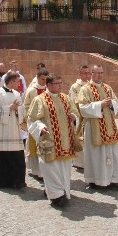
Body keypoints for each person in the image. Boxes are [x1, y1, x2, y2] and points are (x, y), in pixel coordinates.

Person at [27, 74, 80, 207]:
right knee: (50, 168)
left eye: (61, 83)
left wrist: (74, 117)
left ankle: (63, 191)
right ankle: (56, 195)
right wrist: (40, 127)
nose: (60, 86)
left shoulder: (65, 98)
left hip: (65, 141)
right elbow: (32, 119)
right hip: (49, 140)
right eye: (57, 83)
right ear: (49, 85)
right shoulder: (39, 100)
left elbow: (75, 111)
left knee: (64, 168)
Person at [77, 64, 118, 190]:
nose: (99, 75)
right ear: (91, 73)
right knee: (97, 155)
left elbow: (116, 102)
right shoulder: (85, 89)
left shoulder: (107, 88)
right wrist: (100, 105)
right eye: (97, 73)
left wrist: (111, 104)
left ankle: (114, 179)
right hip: (94, 128)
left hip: (109, 127)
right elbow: (82, 108)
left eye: (101, 73)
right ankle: (96, 180)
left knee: (115, 155)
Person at [0, 72, 26, 189]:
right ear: (10, 81)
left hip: (13, 129)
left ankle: (17, 181)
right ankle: (1, 181)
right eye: (17, 81)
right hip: (1, 130)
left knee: (17, 157)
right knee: (2, 156)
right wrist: (9, 108)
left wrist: (18, 110)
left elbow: (21, 110)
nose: (19, 83)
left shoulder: (17, 94)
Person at [23, 68, 49, 180]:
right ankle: (36, 171)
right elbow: (26, 106)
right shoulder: (31, 91)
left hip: (47, 122)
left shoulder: (49, 89)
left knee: (46, 146)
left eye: (46, 79)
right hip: (35, 122)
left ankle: (45, 170)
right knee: (34, 146)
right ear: (37, 78)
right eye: (42, 79)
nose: (44, 81)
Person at [69, 64, 91, 169]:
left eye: (89, 73)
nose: (87, 75)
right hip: (80, 116)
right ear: (79, 74)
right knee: (79, 139)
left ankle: (89, 160)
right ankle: (79, 162)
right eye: (85, 73)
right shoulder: (75, 86)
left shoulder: (91, 85)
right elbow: (73, 102)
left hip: (90, 116)